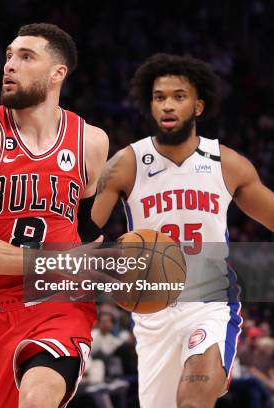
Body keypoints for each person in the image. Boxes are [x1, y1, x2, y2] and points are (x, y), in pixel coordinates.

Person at [92, 53, 274, 407]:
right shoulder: (127, 164)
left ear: (199, 105)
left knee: (192, 399)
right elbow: (82, 235)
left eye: (179, 96)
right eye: (159, 97)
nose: (168, 105)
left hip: (210, 302)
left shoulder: (227, 163)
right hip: (151, 309)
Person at [0, 23, 110, 407]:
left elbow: (85, 231)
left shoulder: (92, 142)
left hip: (59, 303)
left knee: (38, 398)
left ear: (58, 74)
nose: (10, 66)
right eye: (8, 56)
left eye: (25, 57)